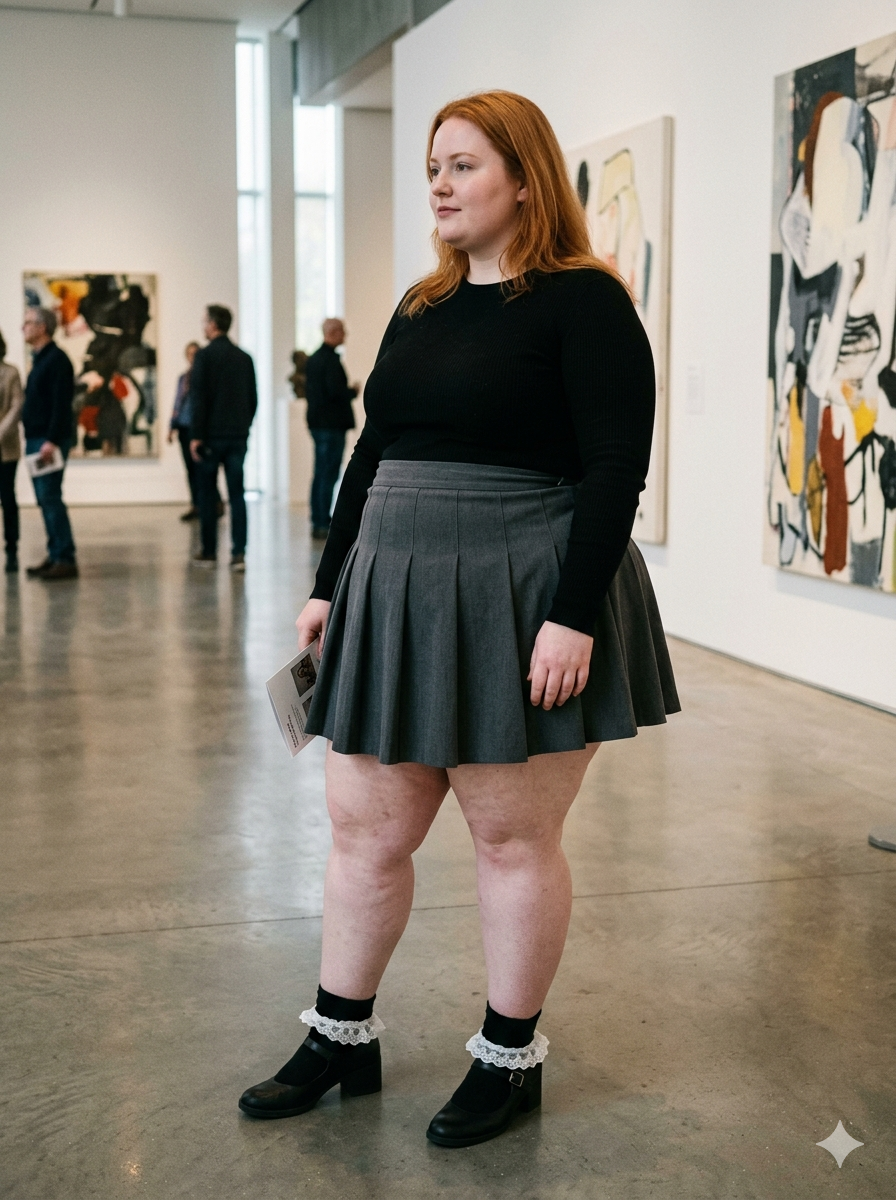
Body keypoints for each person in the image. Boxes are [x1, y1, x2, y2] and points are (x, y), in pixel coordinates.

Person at [239, 92, 680, 1147]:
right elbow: (370, 454)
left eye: (462, 165)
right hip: (392, 584)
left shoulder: (584, 301)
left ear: (523, 179)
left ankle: (507, 1059)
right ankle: (339, 1036)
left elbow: (615, 468)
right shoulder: (422, 304)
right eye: (432, 166)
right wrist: (328, 582)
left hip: (522, 589)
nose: (438, 183)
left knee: (510, 839)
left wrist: (571, 616)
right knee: (364, 830)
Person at [189, 305, 257, 572]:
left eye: (205, 321)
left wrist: (196, 435)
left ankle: (209, 551)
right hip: (237, 436)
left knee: (207, 494)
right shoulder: (244, 358)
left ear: (214, 324)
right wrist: (244, 426)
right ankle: (239, 553)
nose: (203, 326)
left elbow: (199, 398)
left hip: (211, 437)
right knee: (237, 494)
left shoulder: (204, 356)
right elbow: (252, 399)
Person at [21, 307, 78, 580]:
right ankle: (56, 553)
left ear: (42, 327)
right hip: (37, 439)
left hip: (47, 441)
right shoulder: (41, 359)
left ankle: (65, 558)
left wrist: (52, 440)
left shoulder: (57, 360)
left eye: (28, 322)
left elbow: (61, 404)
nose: (23, 327)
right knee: (44, 499)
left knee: (50, 497)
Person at [304, 319, 359, 539]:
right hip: (331, 425)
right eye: (343, 331)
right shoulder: (330, 361)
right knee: (327, 473)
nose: (345, 335)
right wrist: (352, 392)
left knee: (321, 473)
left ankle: (319, 519)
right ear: (333, 332)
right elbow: (335, 392)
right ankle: (321, 521)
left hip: (319, 424)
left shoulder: (314, 359)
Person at [168, 341, 222, 522]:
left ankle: (214, 502)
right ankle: (196, 505)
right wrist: (172, 426)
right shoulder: (183, 379)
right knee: (190, 468)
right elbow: (177, 402)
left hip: (199, 428)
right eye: (190, 354)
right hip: (184, 427)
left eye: (196, 354)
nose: (193, 358)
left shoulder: (206, 377)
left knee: (204, 468)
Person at [0, 330, 24, 573]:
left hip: (5, 447)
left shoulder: (10, 373)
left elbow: (17, 407)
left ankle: (11, 548)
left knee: (7, 497)